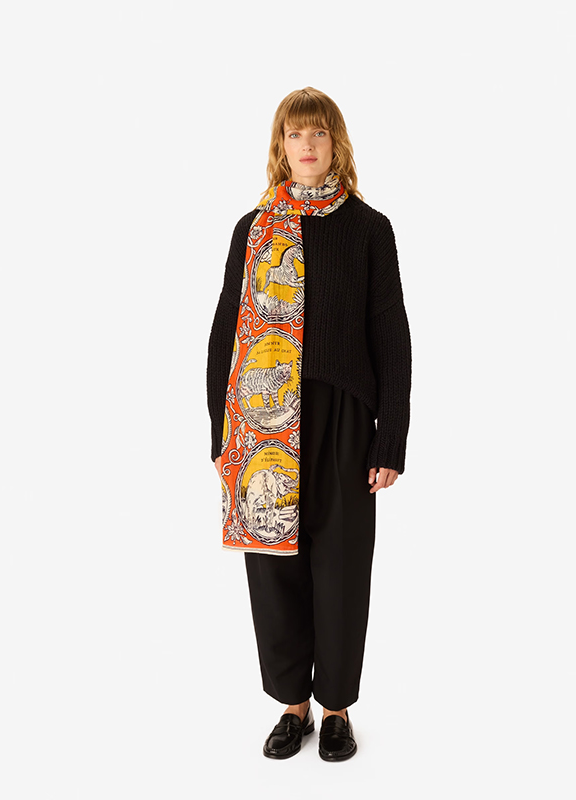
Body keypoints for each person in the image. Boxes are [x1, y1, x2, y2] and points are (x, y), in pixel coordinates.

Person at [206, 86, 411, 761]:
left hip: (342, 418)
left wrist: (390, 437)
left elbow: (391, 336)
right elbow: (225, 331)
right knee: (275, 572)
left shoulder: (369, 228)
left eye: (318, 133)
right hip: (261, 423)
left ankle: (337, 708)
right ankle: (292, 705)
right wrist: (220, 433)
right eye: (295, 134)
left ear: (335, 143)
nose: (307, 145)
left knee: (342, 567)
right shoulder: (253, 229)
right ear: (281, 146)